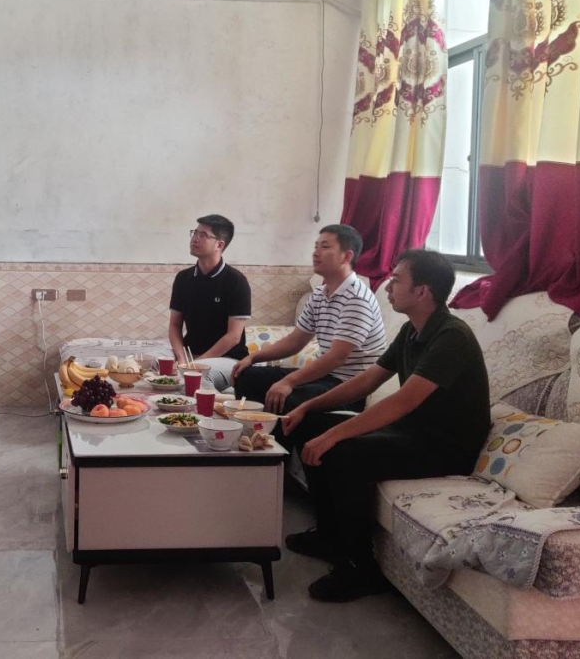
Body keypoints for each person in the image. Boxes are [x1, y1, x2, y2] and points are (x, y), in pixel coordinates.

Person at [281, 249, 491, 602]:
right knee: (309, 425)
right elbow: (368, 380)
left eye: (396, 280)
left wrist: (333, 436)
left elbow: (402, 401)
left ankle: (361, 568)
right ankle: (330, 536)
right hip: (413, 431)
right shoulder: (411, 330)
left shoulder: (452, 336)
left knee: (342, 452)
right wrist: (307, 406)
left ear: (422, 291)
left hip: (445, 447)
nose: (388, 287)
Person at [231, 224, 386, 415]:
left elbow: (337, 357)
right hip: (324, 377)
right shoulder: (319, 294)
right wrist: (253, 357)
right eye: (316, 246)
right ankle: (252, 428)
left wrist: (289, 381)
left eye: (325, 247)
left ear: (346, 256)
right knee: (246, 376)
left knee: (287, 398)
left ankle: (271, 433)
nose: (316, 253)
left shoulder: (357, 298)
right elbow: (295, 341)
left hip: (349, 388)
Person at [168, 214, 251, 391]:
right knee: (152, 363)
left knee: (197, 377)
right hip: (190, 354)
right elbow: (175, 325)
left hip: (227, 358)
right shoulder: (183, 278)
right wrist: (181, 359)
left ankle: (209, 408)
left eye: (203, 235)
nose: (195, 238)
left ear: (219, 245)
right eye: (194, 233)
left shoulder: (236, 281)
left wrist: (196, 364)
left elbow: (233, 337)